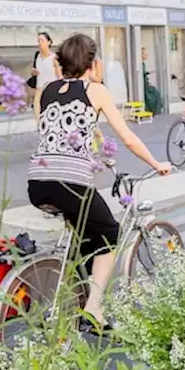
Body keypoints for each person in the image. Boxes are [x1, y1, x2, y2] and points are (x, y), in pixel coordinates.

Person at [27, 33, 171, 333]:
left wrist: (94, 154)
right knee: (109, 232)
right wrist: (157, 164)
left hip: (37, 182)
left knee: (84, 232)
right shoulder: (96, 90)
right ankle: (94, 310)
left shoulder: (45, 91)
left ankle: (76, 288)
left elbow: (50, 132)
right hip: (70, 183)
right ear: (91, 63)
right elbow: (129, 138)